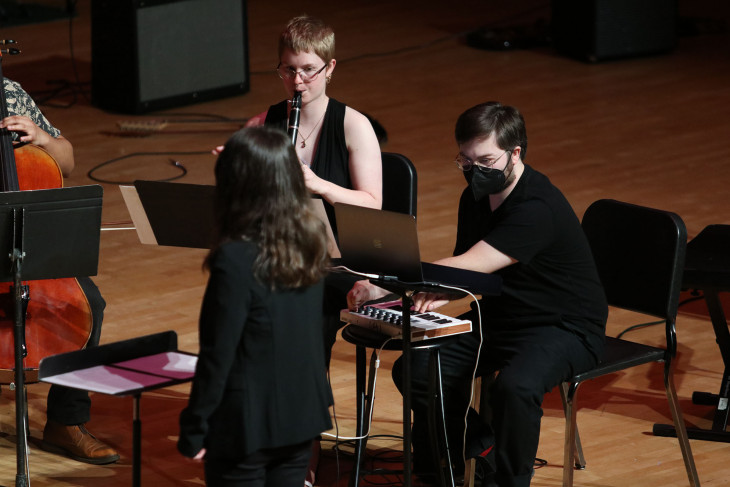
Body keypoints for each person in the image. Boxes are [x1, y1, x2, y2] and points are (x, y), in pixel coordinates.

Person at [347, 102, 608, 486]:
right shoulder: (473, 198)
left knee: (515, 387)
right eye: (465, 161)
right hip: (502, 317)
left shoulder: (536, 208)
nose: (475, 171)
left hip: (564, 326)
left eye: (485, 160)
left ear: (515, 152)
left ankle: (508, 480)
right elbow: (466, 269)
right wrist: (441, 290)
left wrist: (382, 283)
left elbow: (473, 262)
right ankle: (472, 452)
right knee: (417, 370)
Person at [177, 126, 333, 487]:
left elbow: (219, 354)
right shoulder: (312, 242)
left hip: (245, 426)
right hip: (302, 416)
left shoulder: (235, 258)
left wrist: (196, 425)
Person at [0, 78, 119, 464]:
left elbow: (65, 160)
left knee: (88, 304)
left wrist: (41, 139)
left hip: (25, 238)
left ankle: (66, 421)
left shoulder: (10, 93)